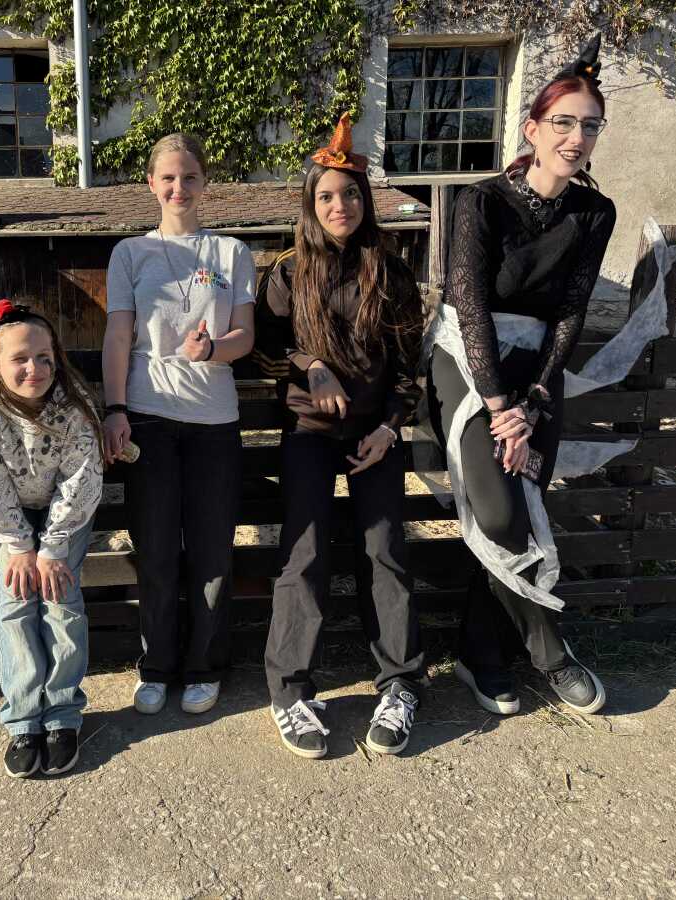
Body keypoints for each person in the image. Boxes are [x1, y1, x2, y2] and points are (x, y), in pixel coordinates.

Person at [425, 35, 616, 717]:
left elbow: (571, 310)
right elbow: (469, 302)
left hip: (536, 372)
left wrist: (534, 397)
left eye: (590, 125)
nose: (576, 137)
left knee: (523, 505)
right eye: (563, 122)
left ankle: (480, 657)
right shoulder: (481, 202)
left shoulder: (594, 213)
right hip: (467, 361)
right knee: (501, 512)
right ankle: (549, 652)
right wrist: (499, 404)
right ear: (532, 129)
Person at [254, 114, 426, 759]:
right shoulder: (287, 273)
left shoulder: (392, 273)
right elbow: (263, 350)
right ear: (310, 203)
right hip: (309, 431)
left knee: (385, 551)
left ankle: (401, 683)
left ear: (365, 199)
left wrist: (389, 427)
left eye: (350, 194)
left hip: (374, 436)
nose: (339, 205)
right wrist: (311, 364)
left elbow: (409, 367)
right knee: (304, 555)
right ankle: (291, 690)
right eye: (326, 195)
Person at [101, 133, 256, 716]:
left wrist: (212, 348)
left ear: (204, 182)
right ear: (151, 184)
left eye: (189, 177)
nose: (178, 188)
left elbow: (245, 336)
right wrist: (115, 409)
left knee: (212, 550)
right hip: (148, 417)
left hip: (214, 420)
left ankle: (205, 666)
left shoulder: (231, 253)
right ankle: (157, 664)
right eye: (167, 178)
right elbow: (119, 336)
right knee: (157, 548)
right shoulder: (130, 253)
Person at [0, 299, 103, 778]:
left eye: (43, 357)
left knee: (60, 598)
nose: (33, 369)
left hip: (65, 511)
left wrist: (53, 547)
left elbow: (80, 478)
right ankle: (22, 716)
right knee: (16, 599)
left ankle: (62, 713)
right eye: (19, 358)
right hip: (10, 514)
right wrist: (19, 546)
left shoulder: (74, 405)